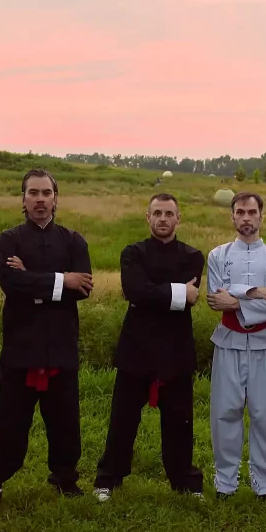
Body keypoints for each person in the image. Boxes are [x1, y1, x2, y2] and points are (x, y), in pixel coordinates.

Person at [0, 168, 92, 512]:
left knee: (65, 417)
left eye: (46, 193)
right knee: (10, 418)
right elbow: (11, 285)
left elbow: (83, 287)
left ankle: (64, 476)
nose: (40, 199)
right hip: (20, 344)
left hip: (60, 342)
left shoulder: (74, 241)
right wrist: (61, 282)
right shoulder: (9, 240)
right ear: (23, 200)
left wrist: (33, 278)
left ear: (56, 198)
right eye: (33, 193)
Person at [93, 193, 205, 501]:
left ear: (178, 218)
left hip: (176, 350)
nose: (163, 219)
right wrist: (178, 292)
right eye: (157, 213)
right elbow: (134, 291)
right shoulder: (133, 252)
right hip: (136, 349)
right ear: (148, 217)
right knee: (123, 419)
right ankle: (108, 480)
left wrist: (154, 293)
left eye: (169, 213)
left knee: (180, 421)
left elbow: (184, 297)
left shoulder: (193, 256)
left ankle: (184, 482)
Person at [205, 192, 266, 499]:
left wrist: (239, 299)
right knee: (225, 411)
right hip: (228, 343)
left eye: (251, 212)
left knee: (265, 414)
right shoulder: (218, 255)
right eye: (239, 212)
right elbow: (217, 299)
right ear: (232, 216)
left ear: (260, 216)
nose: (245, 217)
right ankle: (225, 481)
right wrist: (258, 292)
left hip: (265, 344)